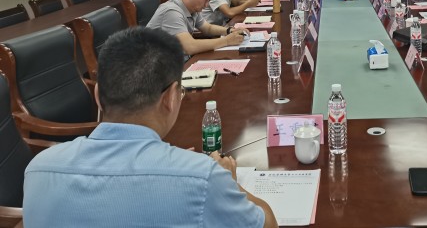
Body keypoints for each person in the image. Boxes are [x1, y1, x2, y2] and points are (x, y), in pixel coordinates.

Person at [23, 27, 278, 228]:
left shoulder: (39, 169)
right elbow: (268, 223)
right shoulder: (203, 178)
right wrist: (230, 182)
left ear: (98, 95)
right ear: (171, 97)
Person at [147, 0, 247, 56]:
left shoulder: (192, 8)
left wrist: (229, 31)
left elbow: (208, 28)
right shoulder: (171, 12)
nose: (207, 5)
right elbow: (190, 47)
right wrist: (227, 41)